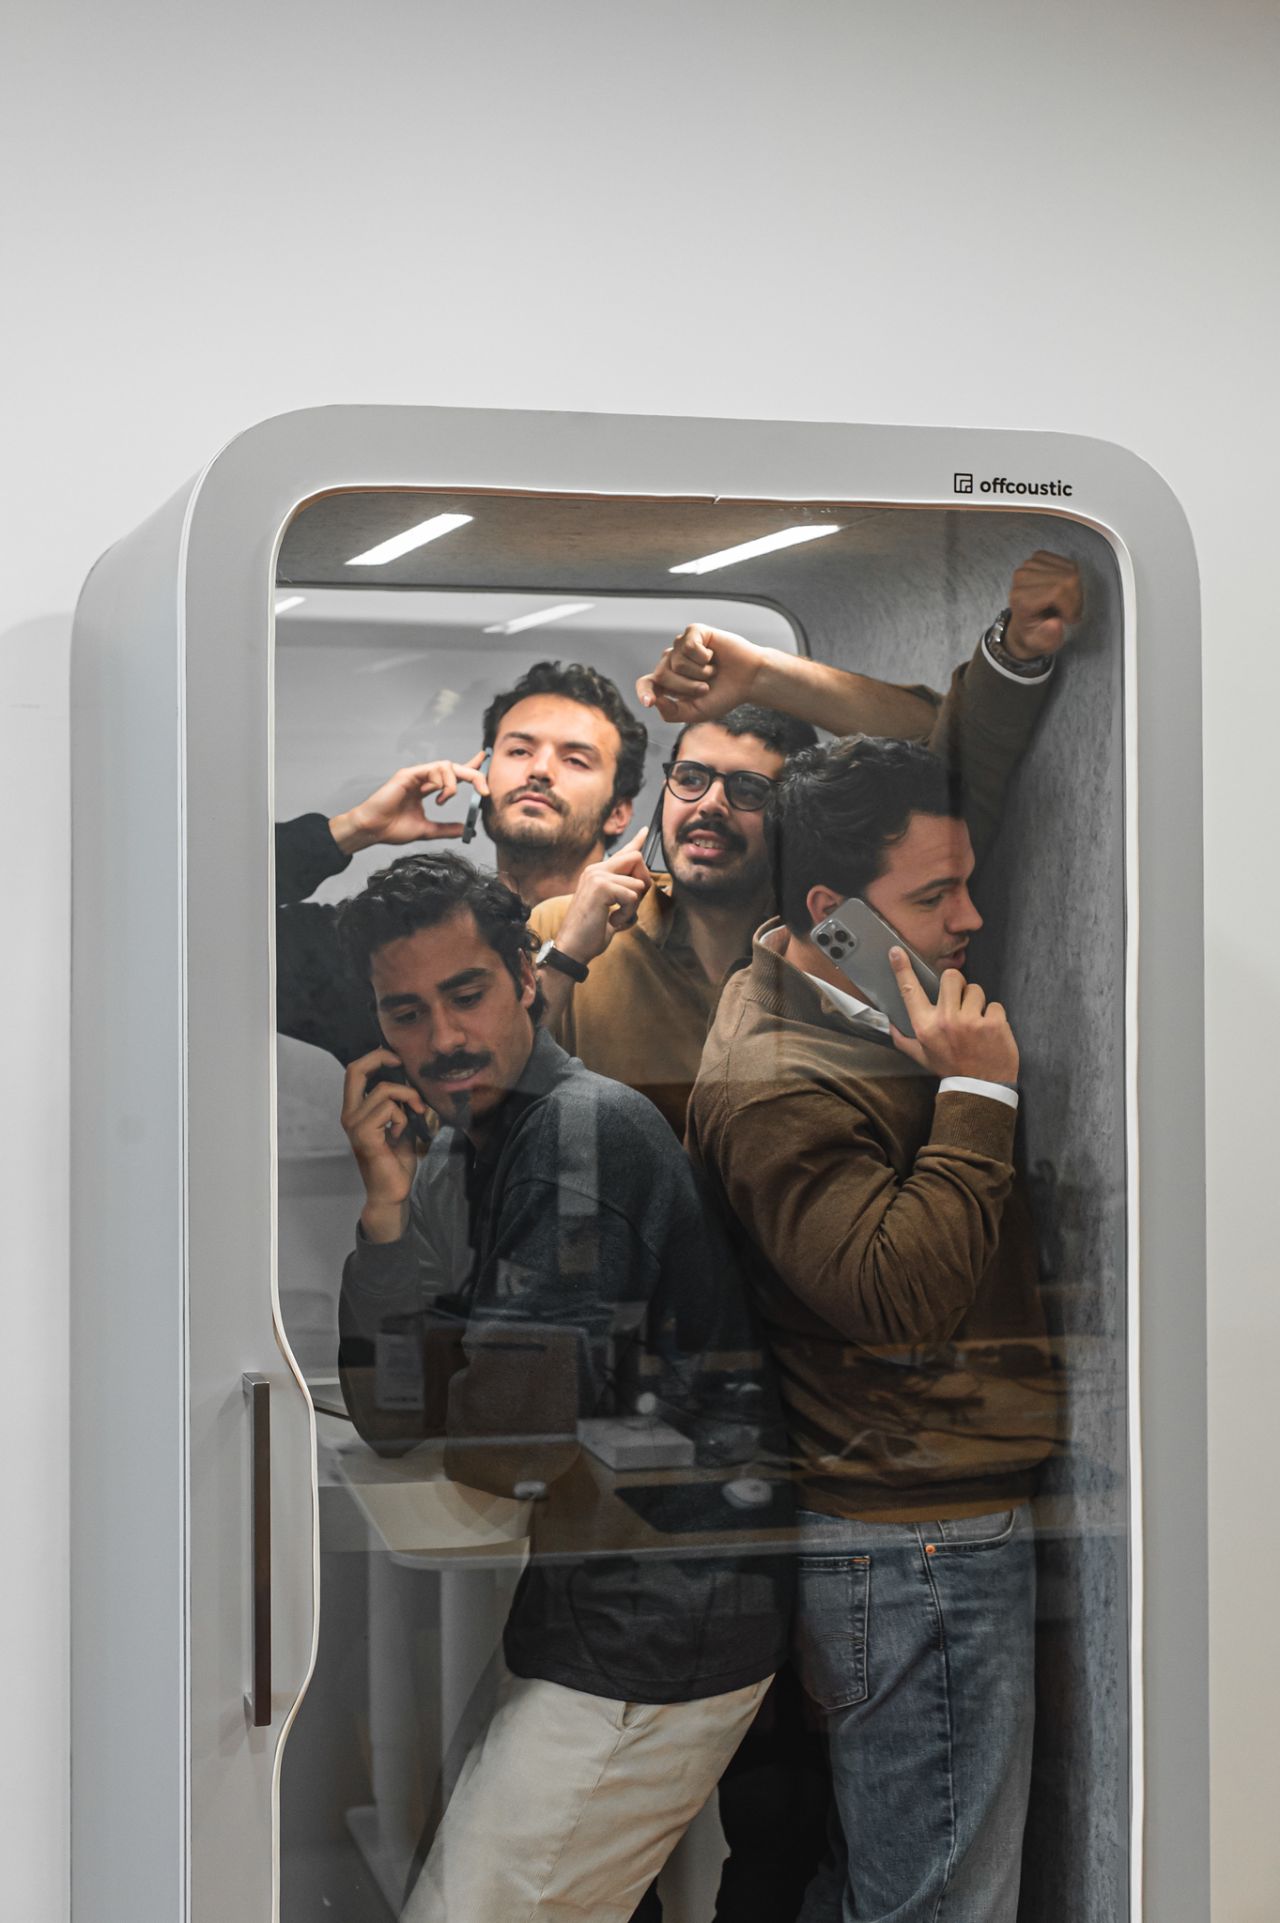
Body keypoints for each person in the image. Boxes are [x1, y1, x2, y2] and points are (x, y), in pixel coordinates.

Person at [334, 851, 792, 1923]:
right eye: (404, 1012)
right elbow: (398, 1414)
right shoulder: (472, 1145)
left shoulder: (580, 1136)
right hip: (604, 1606)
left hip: (660, 1623)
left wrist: (460, 1365)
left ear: (525, 982)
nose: (440, 1037)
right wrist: (387, 1206)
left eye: (466, 993)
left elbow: (511, 1441)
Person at [685, 734, 1065, 1923]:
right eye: (933, 894)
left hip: (916, 1533)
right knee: (934, 1905)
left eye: (964, 881)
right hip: (919, 1543)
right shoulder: (782, 1073)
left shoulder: (844, 996)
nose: (970, 917)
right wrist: (978, 1094)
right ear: (829, 910)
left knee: (890, 1885)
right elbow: (894, 1300)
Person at [530, 551, 1081, 1137]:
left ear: (793, 819)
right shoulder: (576, 927)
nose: (710, 804)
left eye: (746, 788)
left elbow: (927, 762)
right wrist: (565, 960)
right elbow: (484, 1099)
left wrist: (765, 675)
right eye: (691, 778)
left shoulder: (840, 945)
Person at [275, 657, 649, 1062]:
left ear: (619, 812)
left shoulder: (655, 943)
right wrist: (349, 830)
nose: (540, 770)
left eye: (575, 759)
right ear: (483, 779)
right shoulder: (394, 942)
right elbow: (206, 930)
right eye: (520, 750)